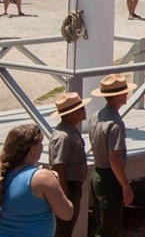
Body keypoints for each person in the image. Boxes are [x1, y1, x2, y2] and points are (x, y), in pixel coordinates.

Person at [0, 124, 74, 237]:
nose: (42, 147)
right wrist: (55, 182)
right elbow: (67, 213)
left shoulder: (4, 173)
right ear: (32, 149)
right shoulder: (42, 178)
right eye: (40, 143)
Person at [89, 74, 136, 237]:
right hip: (110, 178)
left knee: (101, 223)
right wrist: (126, 186)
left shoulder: (96, 115)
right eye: (124, 92)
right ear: (117, 96)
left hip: (98, 174)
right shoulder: (115, 123)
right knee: (110, 227)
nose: (126, 95)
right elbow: (114, 158)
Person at [47, 92, 89, 237]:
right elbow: (59, 166)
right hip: (68, 187)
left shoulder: (71, 130)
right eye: (81, 109)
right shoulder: (63, 136)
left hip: (73, 186)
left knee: (68, 227)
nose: (84, 111)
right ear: (71, 114)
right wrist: (64, 195)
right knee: (63, 228)